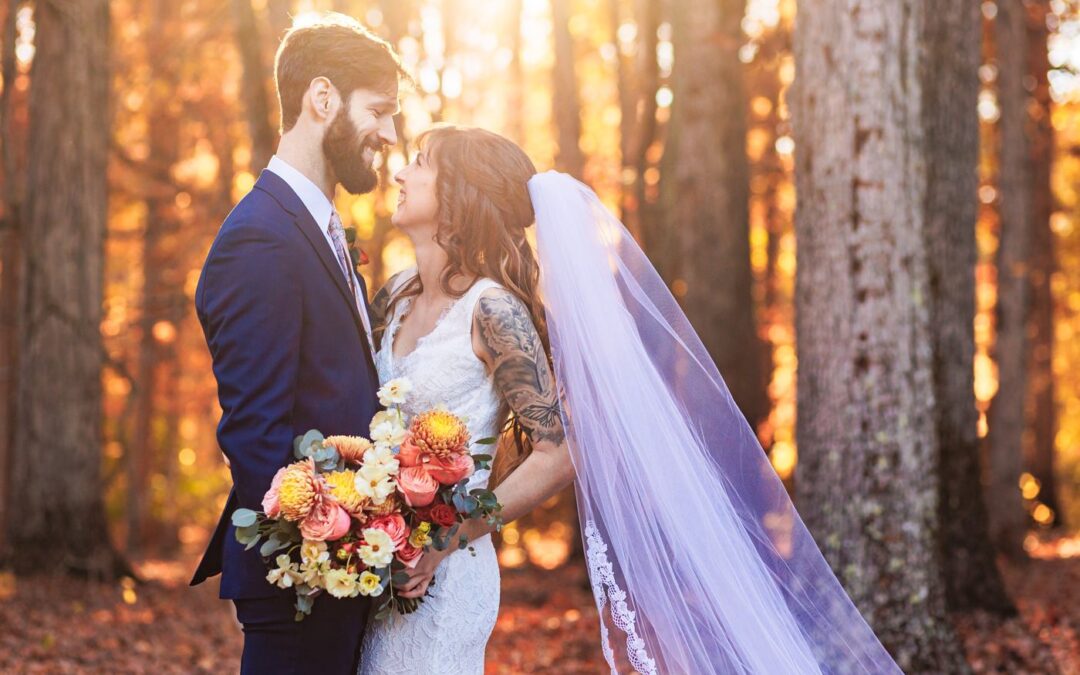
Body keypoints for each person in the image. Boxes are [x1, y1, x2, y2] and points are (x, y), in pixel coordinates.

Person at [359, 124, 903, 674]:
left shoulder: (492, 311)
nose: (401, 172)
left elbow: (559, 454)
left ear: (458, 196)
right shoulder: (395, 296)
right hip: (378, 558)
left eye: (421, 163)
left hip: (445, 571)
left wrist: (448, 539)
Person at [190, 13, 405, 674]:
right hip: (305, 583)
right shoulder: (261, 235)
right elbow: (256, 434)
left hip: (345, 574)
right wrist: (327, 548)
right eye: (380, 110)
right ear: (322, 99)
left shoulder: (317, 226)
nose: (390, 133)